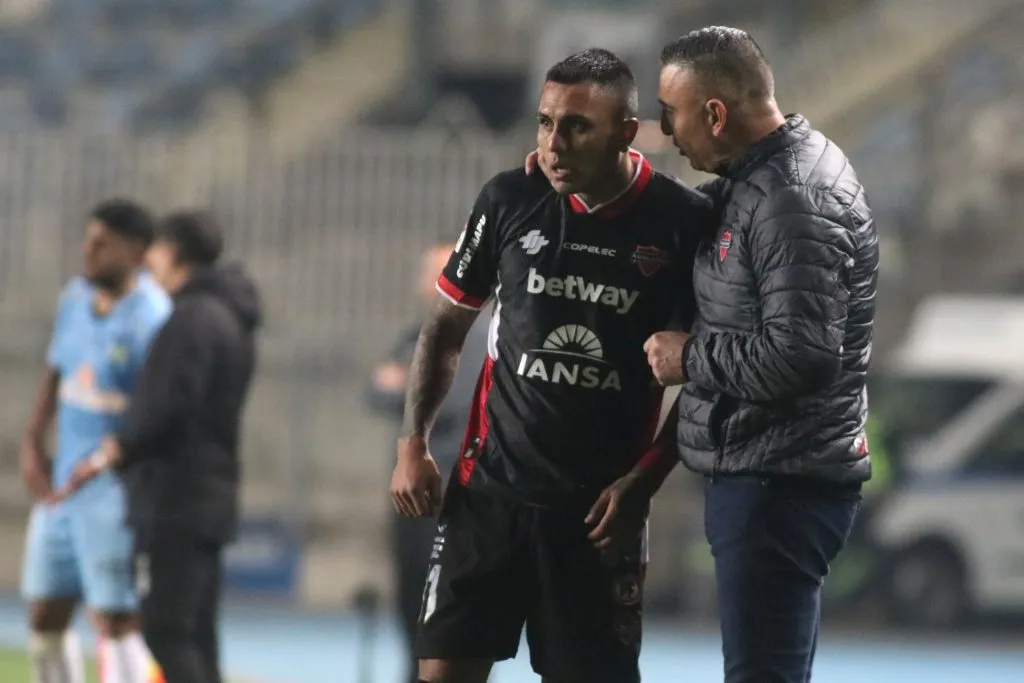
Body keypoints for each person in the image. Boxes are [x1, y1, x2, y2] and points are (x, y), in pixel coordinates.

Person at [389, 48, 715, 683]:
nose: (555, 143)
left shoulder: (682, 222)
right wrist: (413, 443)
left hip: (597, 518)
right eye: (545, 123)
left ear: (626, 132)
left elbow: (706, 377)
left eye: (577, 127)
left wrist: (643, 483)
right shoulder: (510, 197)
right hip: (486, 500)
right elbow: (446, 327)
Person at [643, 27, 879, 683]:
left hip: (780, 478)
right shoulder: (758, 178)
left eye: (672, 112)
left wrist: (689, 358)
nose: (665, 129)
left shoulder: (790, 195)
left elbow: (801, 355)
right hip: (770, 470)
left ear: (715, 113)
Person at [57, 210, 262, 683]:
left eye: (157, 250)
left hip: (175, 502)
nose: (150, 261)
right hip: (210, 495)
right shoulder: (231, 317)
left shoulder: (190, 320)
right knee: (197, 634)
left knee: (167, 631)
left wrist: (117, 449)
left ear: (173, 254)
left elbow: (166, 407)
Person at [20, 199, 170, 683]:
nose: (88, 251)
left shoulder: (153, 317)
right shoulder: (74, 300)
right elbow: (55, 372)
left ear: (136, 252)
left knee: (115, 619)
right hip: (62, 486)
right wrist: (30, 440)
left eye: (101, 243)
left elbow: (155, 413)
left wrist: (111, 462)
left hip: (115, 492)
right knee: (44, 615)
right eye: (88, 239)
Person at [366, 243, 491, 683]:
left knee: (444, 618)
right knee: (410, 606)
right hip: (412, 498)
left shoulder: (477, 336)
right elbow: (376, 391)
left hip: (449, 494)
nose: (431, 282)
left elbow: (453, 400)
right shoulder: (416, 334)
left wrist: (403, 386)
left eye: (440, 271)